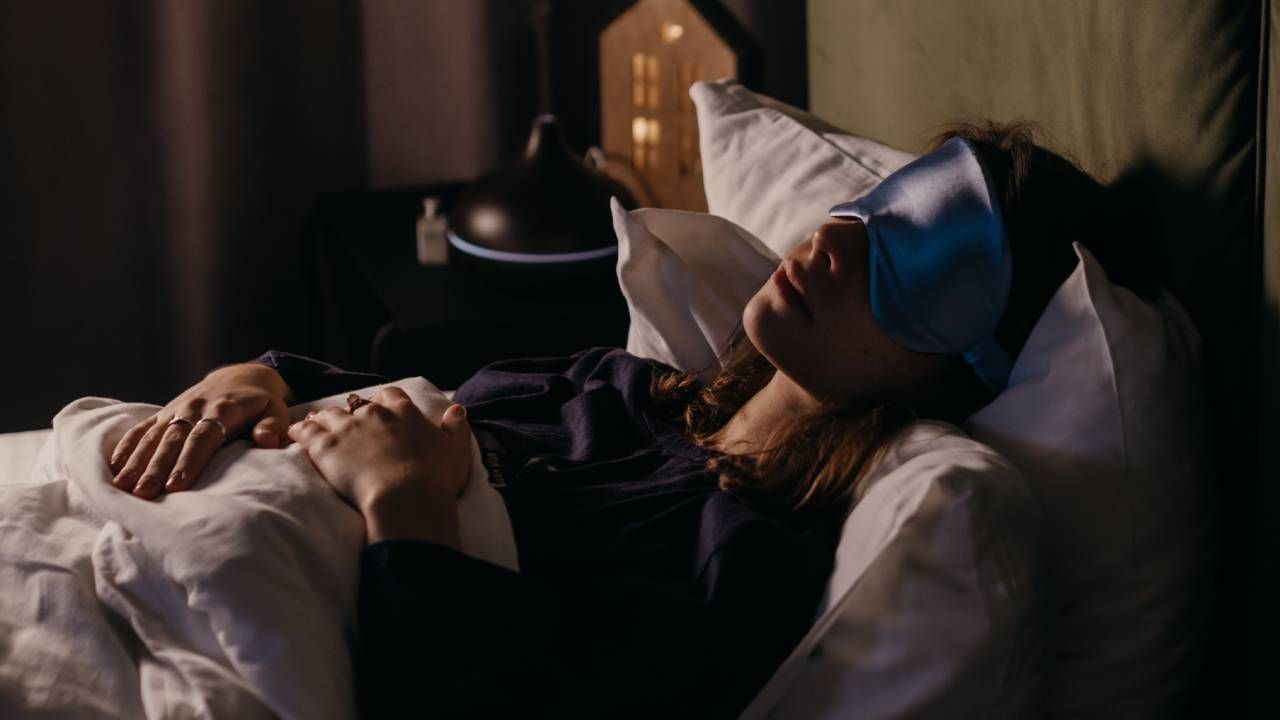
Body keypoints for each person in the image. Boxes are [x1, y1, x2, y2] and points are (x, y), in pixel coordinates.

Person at [104, 121, 1145, 718]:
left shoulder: (745, 563)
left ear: (967, 368)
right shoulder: (623, 387)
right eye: (873, 209)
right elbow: (383, 400)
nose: (834, 242)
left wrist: (406, 501)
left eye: (920, 259)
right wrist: (246, 383)